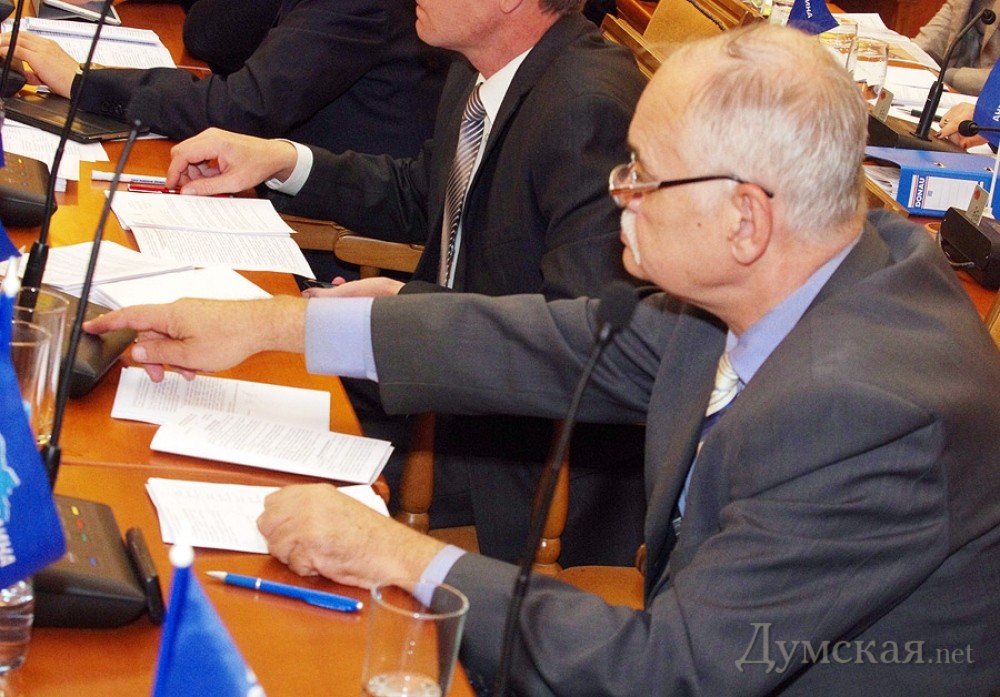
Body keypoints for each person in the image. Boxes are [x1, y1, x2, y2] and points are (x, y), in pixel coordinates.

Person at [85, 23, 1000, 695]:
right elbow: (551, 344)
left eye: (642, 175)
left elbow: (669, 671)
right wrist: (270, 325)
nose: (619, 195)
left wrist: (398, 555)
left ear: (745, 218)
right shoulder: (814, 256)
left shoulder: (868, 409)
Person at [160, 0, 649, 566]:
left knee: (237, 464)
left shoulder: (587, 108)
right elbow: (421, 192)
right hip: (439, 383)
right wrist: (281, 160)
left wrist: (406, 309)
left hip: (517, 455)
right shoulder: (478, 68)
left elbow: (582, 344)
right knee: (205, 396)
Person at [0, 0, 448, 158]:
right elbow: (209, 34)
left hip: (324, 238)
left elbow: (240, 108)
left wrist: (84, 81)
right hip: (265, 182)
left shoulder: (360, 5)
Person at [914, 0, 1000, 95]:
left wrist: (946, 77)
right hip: (957, 93)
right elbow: (924, 45)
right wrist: (908, 58)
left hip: (988, 98)